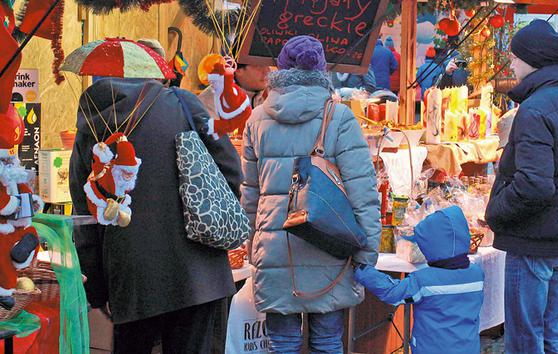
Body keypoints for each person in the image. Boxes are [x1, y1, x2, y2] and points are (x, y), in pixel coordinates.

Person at [70, 77, 242, 354]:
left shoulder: (91, 126)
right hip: (200, 272)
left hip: (132, 278)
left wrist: (97, 290)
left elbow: (86, 215)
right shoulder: (182, 103)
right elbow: (232, 170)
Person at [241, 35, 380, 353]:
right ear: (321, 71)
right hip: (330, 246)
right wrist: (367, 254)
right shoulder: (340, 117)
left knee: (283, 342)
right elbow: (363, 193)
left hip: (275, 247)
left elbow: (250, 193)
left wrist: (253, 247)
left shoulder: (257, 118)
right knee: (328, 340)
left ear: (280, 68)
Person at [485, 19, 558, 354]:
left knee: (525, 338)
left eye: (514, 57)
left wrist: (496, 212)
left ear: (530, 60)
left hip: (535, 239)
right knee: (548, 331)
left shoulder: (536, 109)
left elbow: (534, 186)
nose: (511, 63)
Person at [354, 206, 484, 354]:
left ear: (432, 247)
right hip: (468, 348)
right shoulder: (477, 274)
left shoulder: (425, 280)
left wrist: (362, 270)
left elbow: (392, 292)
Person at [199, 63, 270, 117]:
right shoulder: (213, 101)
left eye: (268, 65)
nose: (267, 71)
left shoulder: (269, 96)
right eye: (258, 66)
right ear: (238, 70)